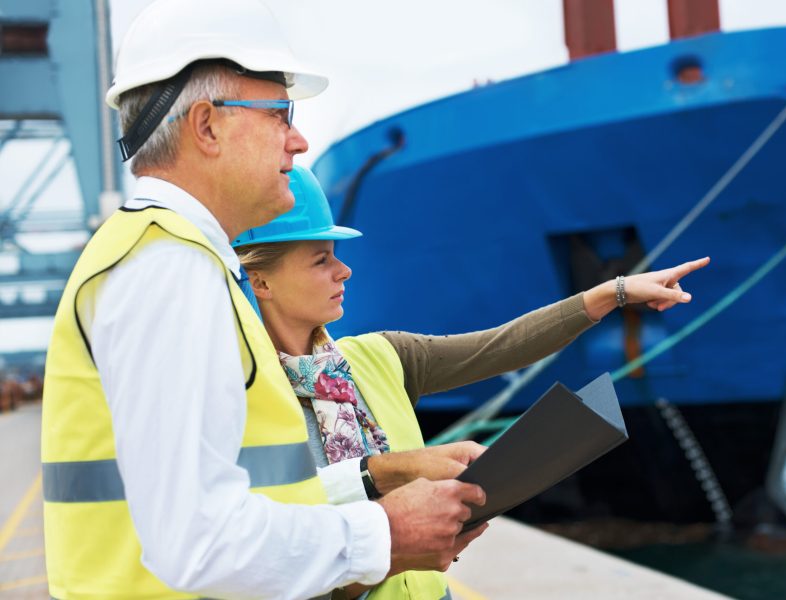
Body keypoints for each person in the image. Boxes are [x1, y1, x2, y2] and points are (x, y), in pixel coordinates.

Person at [41, 1, 486, 599]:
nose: (299, 141)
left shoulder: (170, 258)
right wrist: (383, 532)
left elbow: (244, 495)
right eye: (280, 113)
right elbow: (198, 541)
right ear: (206, 125)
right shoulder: (168, 269)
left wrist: (388, 474)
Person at [233, 166, 712, 599]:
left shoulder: (381, 356)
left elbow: (502, 346)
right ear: (260, 282)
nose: (345, 269)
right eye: (321, 260)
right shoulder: (242, 396)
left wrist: (614, 292)